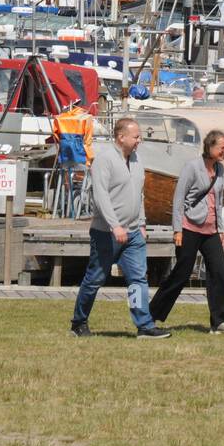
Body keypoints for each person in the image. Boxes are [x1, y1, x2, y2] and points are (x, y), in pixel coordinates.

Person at [71, 117, 171, 339]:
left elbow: (139, 194)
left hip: (134, 232)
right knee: (95, 278)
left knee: (138, 279)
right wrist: (115, 226)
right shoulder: (104, 160)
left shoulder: (136, 160)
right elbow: (101, 196)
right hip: (106, 232)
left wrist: (142, 223)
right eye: (136, 136)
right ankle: (79, 322)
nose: (139, 141)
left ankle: (144, 325)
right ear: (121, 137)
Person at [149, 130, 224, 334]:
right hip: (189, 227)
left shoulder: (220, 169)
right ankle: (150, 315)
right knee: (180, 274)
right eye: (222, 148)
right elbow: (179, 199)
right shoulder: (192, 167)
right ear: (210, 147)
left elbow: (218, 200)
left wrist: (221, 229)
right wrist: (177, 229)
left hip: (211, 231)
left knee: (220, 274)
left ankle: (220, 322)